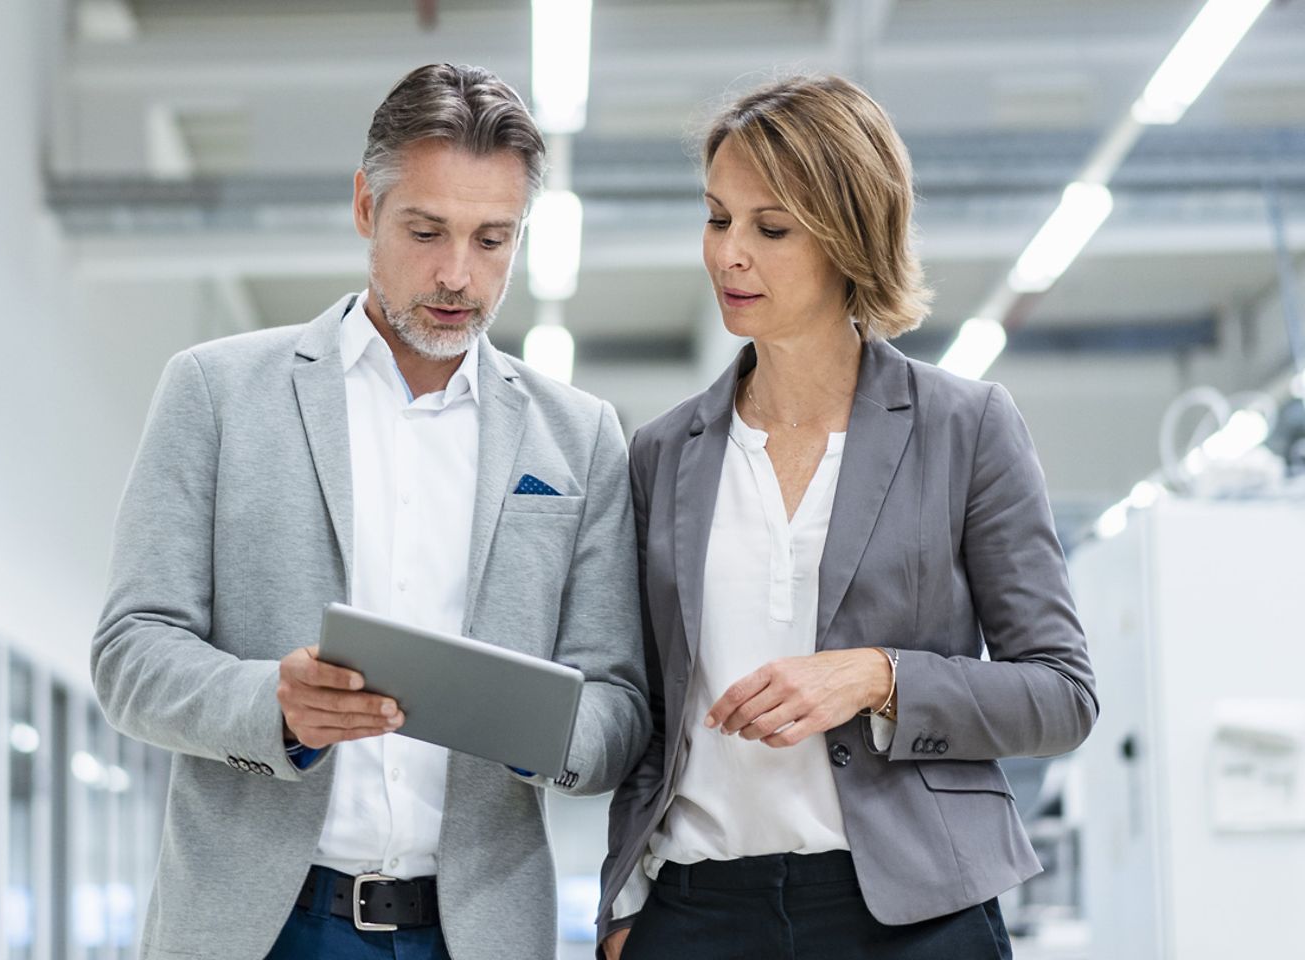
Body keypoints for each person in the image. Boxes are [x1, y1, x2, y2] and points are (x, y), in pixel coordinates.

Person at [92, 62, 649, 960]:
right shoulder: (217, 393)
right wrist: (271, 703)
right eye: (426, 231)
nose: (458, 275)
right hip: (259, 926)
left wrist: (535, 726)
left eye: (494, 239)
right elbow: (130, 652)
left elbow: (619, 703)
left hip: (473, 931)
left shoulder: (579, 438)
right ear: (365, 206)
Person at [598, 75, 1098, 960]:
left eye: (771, 227)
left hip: (912, 913)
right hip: (698, 909)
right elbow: (651, 707)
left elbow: (1060, 695)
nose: (728, 255)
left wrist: (879, 676)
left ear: (848, 238)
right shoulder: (663, 452)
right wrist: (625, 907)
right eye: (718, 219)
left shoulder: (965, 427)